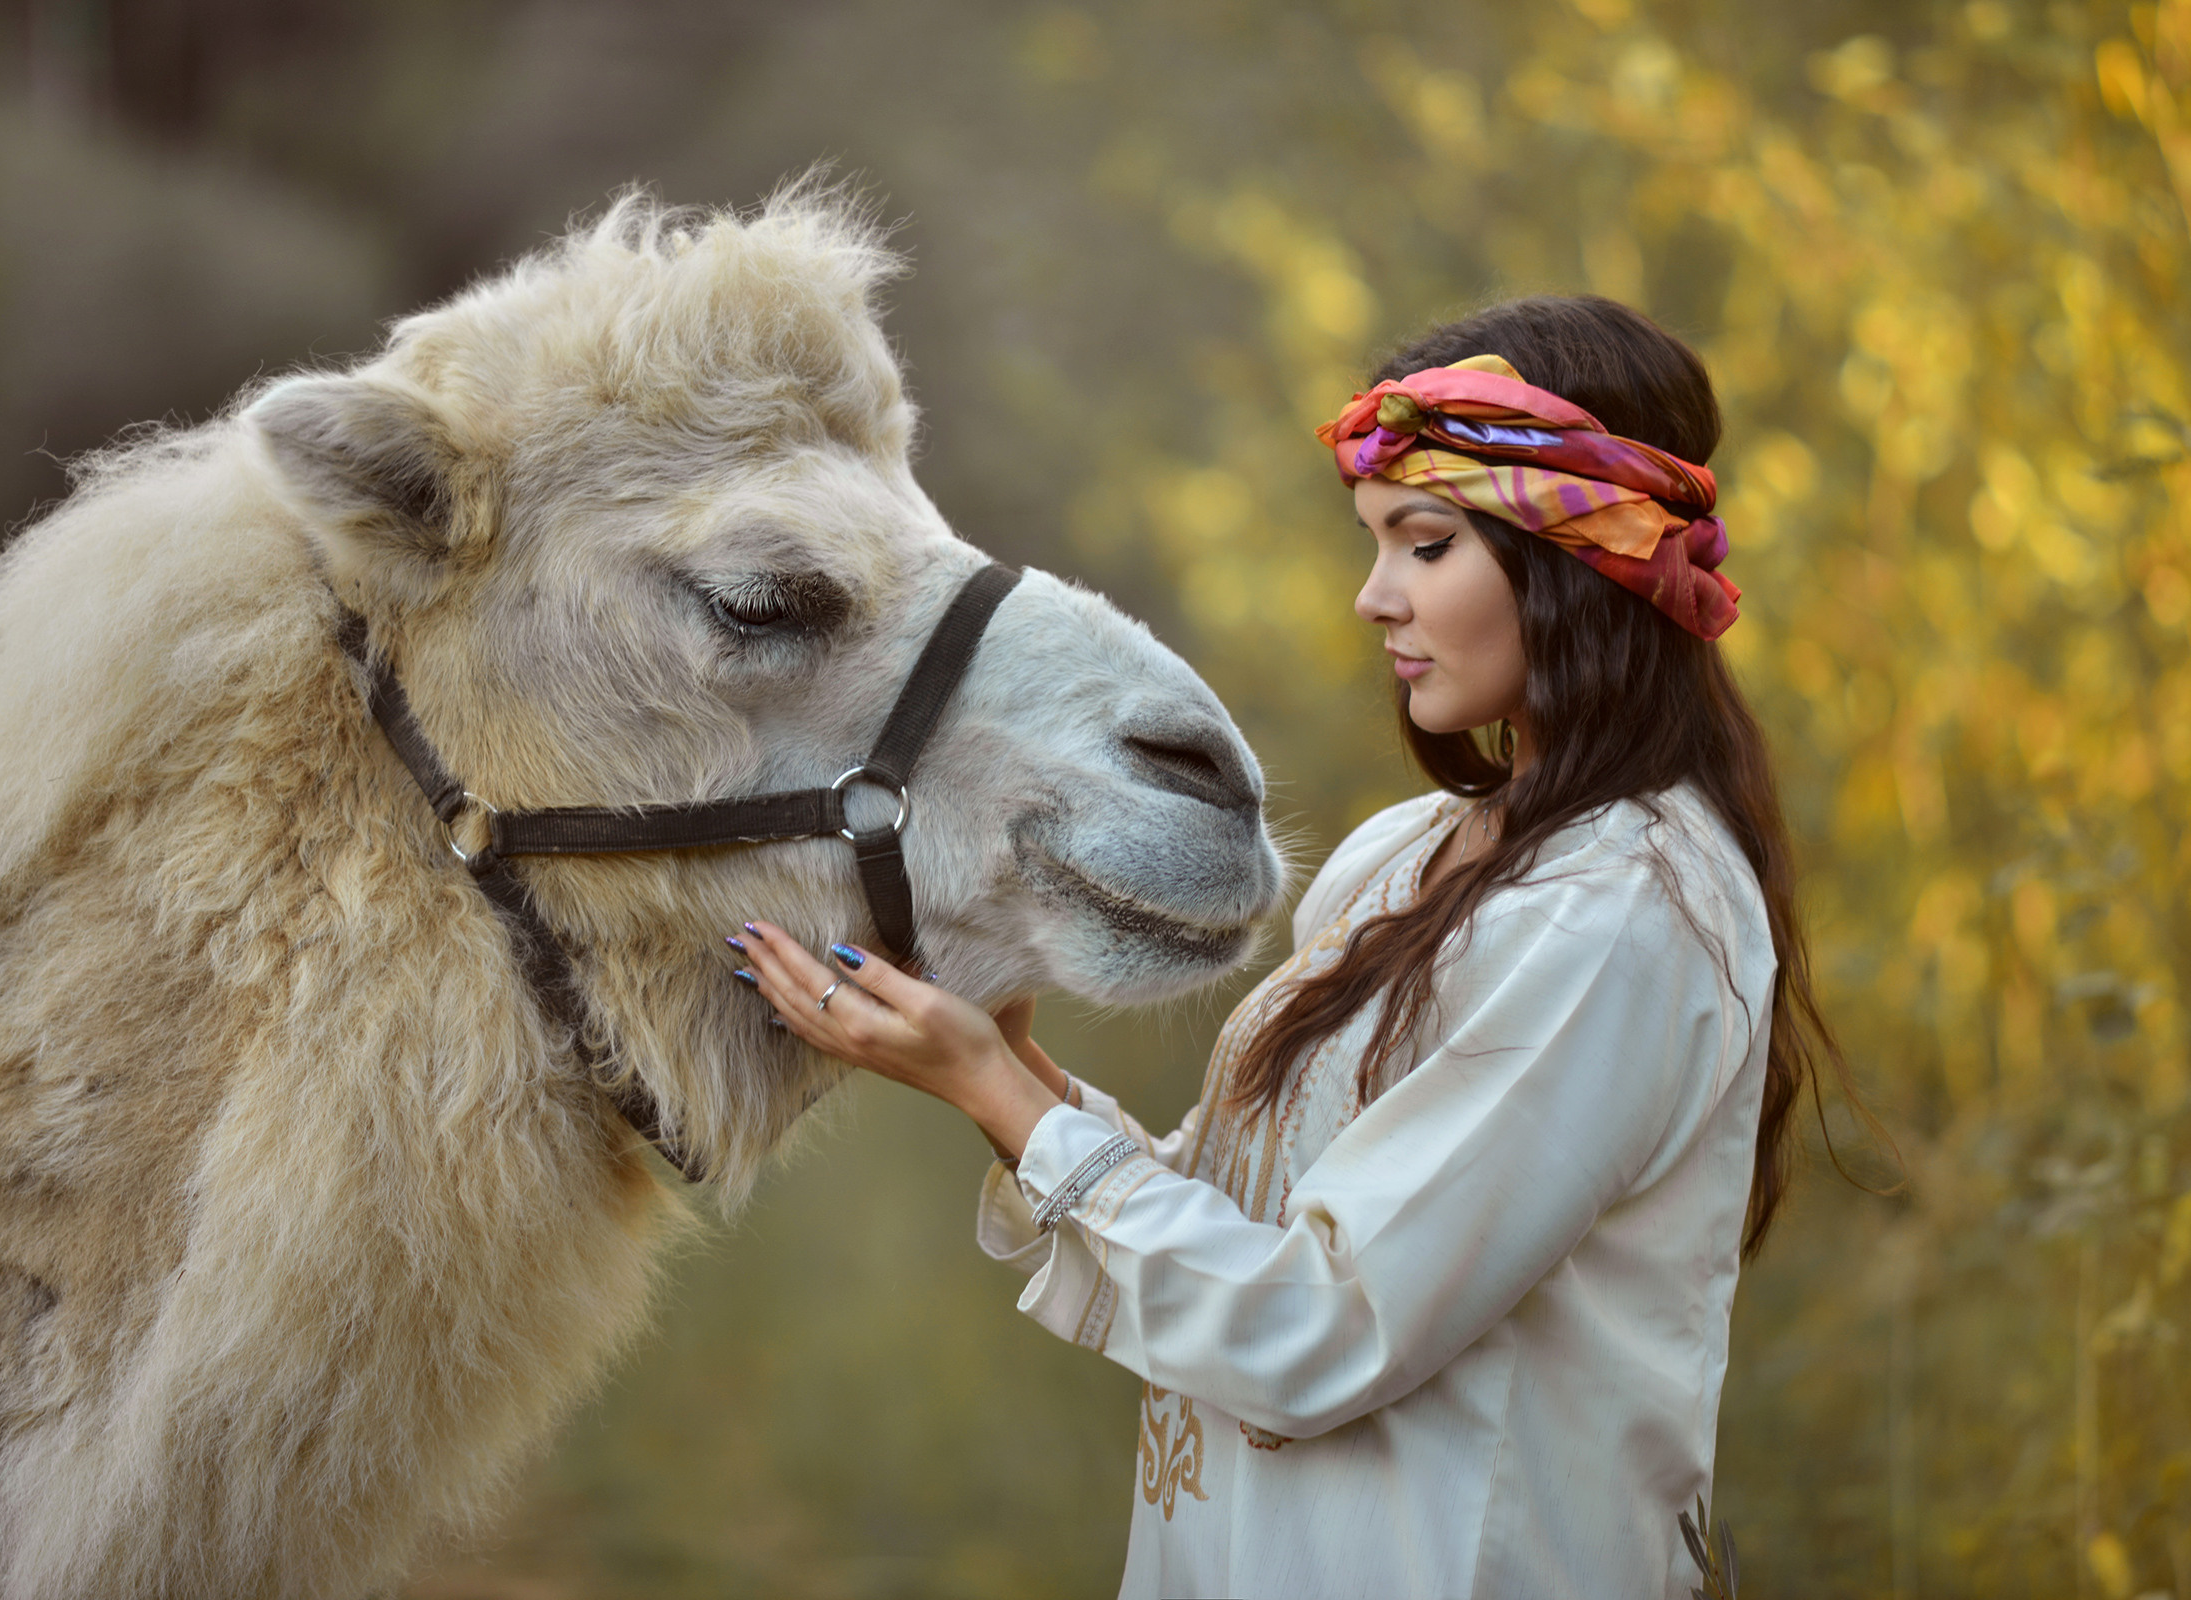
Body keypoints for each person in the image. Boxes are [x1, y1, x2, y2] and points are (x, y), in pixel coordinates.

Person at [729, 294, 1845, 1598]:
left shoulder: (1620, 918)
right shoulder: (1412, 853)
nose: (1377, 598)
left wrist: (988, 1086)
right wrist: (1005, 1074)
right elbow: (1244, 1239)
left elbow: (1318, 1330)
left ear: (1575, 554)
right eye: (1378, 546)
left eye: (1425, 546)